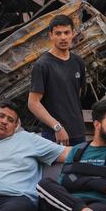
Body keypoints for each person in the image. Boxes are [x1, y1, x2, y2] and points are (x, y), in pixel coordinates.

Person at [28, 14, 86, 146]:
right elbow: (33, 103)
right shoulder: (42, 65)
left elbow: (78, 94)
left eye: (67, 32)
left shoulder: (78, 62)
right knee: (57, 167)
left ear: (73, 33)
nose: (63, 37)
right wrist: (57, 127)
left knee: (78, 167)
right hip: (54, 134)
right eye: (58, 33)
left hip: (78, 132)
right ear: (51, 35)